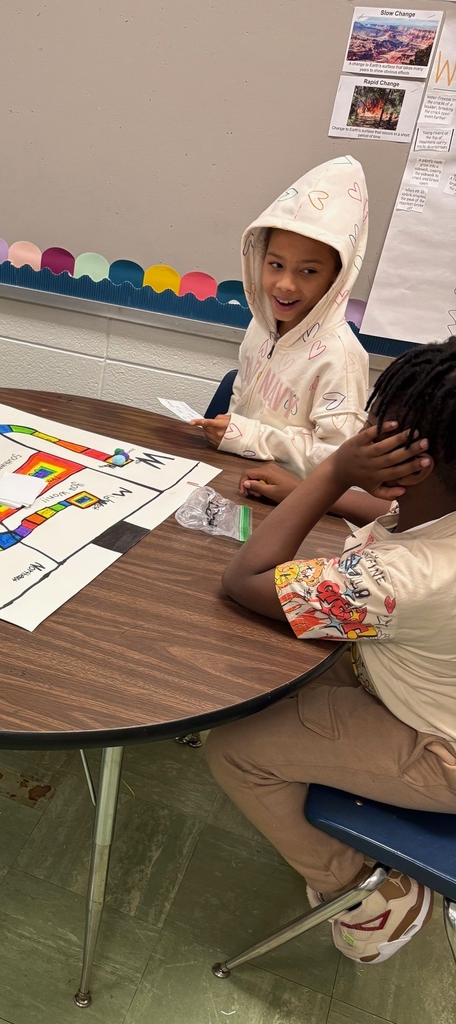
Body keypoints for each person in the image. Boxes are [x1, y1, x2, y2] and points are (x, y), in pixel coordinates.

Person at [206, 339, 456, 964]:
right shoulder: (439, 517)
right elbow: (393, 512)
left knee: (236, 751)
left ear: (412, 462)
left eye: (376, 427)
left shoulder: (400, 580)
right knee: (279, 676)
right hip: (424, 690)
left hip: (440, 757)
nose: (363, 433)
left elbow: (245, 583)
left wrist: (328, 474)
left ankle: (367, 896)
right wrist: (312, 486)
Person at [191, 156, 370, 482]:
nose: (286, 284)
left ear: (335, 278)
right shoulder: (261, 326)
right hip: (234, 479)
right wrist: (229, 430)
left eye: (308, 271)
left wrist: (249, 437)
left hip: (287, 505)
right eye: (275, 265)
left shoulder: (342, 359)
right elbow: (241, 399)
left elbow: (339, 466)